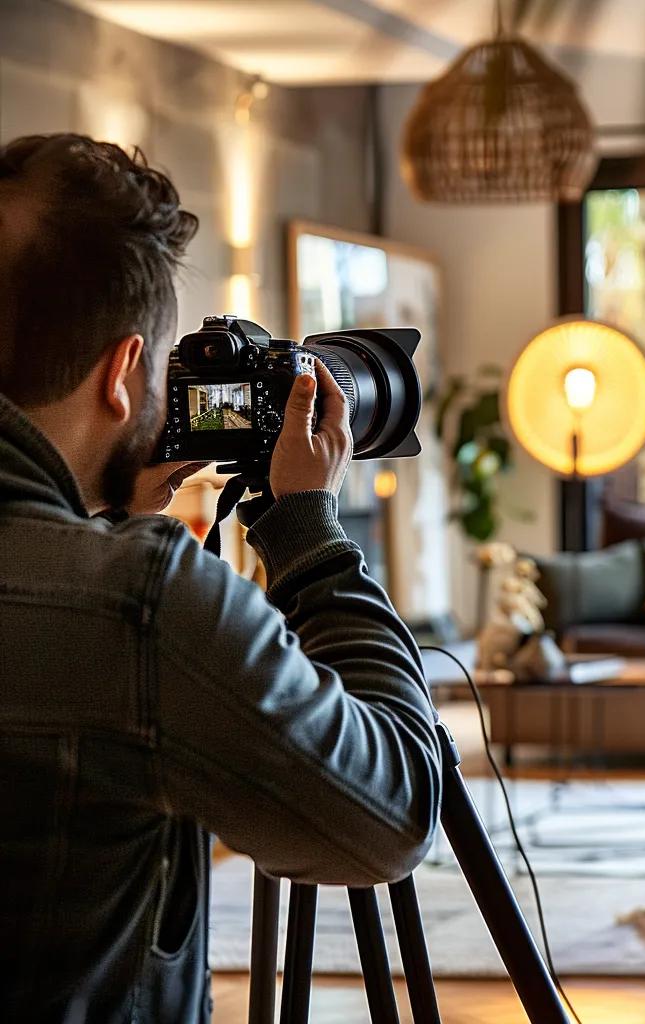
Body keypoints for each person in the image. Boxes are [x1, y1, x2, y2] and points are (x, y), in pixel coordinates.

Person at [0, 134, 442, 1022]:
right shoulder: (140, 606)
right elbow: (390, 812)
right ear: (124, 372)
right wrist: (308, 532)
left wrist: (99, 521)